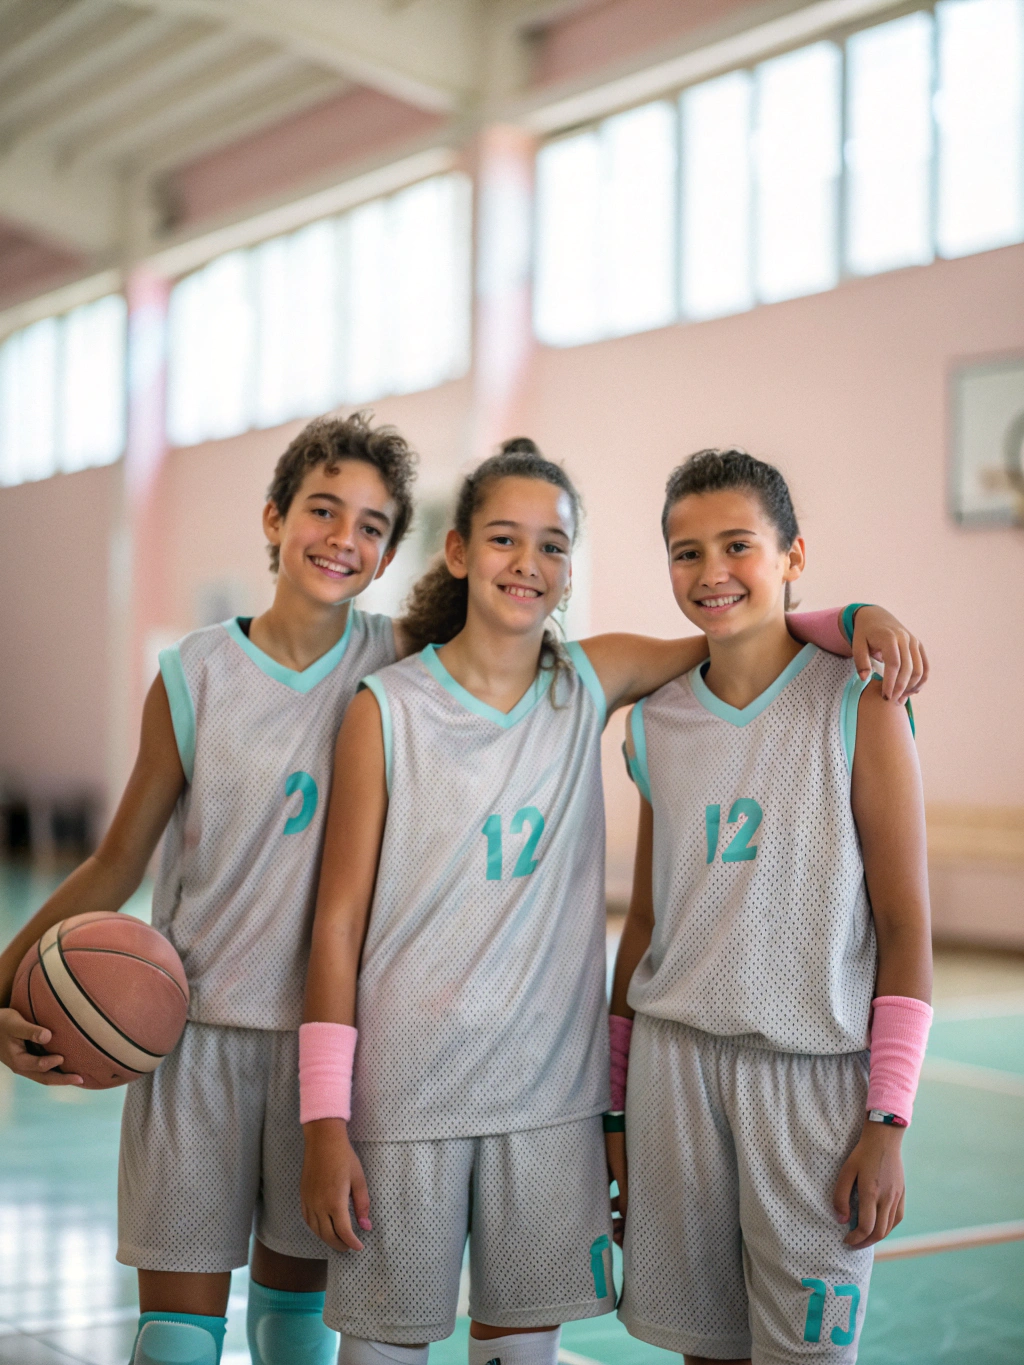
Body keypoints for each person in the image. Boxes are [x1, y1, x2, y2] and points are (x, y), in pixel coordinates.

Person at [295, 438, 926, 1365]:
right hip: (424, 1095)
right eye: (505, 538)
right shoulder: (402, 708)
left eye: (553, 544)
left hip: (582, 1100)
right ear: (460, 550)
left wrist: (859, 614)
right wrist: (324, 1118)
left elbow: (749, 632)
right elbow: (342, 924)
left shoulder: (600, 684)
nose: (530, 562)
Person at [0, 412, 418, 1365]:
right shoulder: (194, 674)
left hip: (328, 1055)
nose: (342, 539)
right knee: (176, 1344)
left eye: (370, 525)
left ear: (389, 553)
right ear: (274, 518)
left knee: (294, 1334)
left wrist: (830, 624)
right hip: (191, 1046)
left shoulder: (400, 661)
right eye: (322, 509)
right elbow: (116, 864)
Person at [607, 448, 933, 1365]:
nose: (711, 572)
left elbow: (906, 926)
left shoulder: (861, 701)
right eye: (685, 551)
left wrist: (887, 1121)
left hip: (814, 1086)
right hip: (672, 1077)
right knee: (705, 1353)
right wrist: (614, 1108)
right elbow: (643, 922)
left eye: (738, 545)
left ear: (793, 555)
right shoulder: (653, 720)